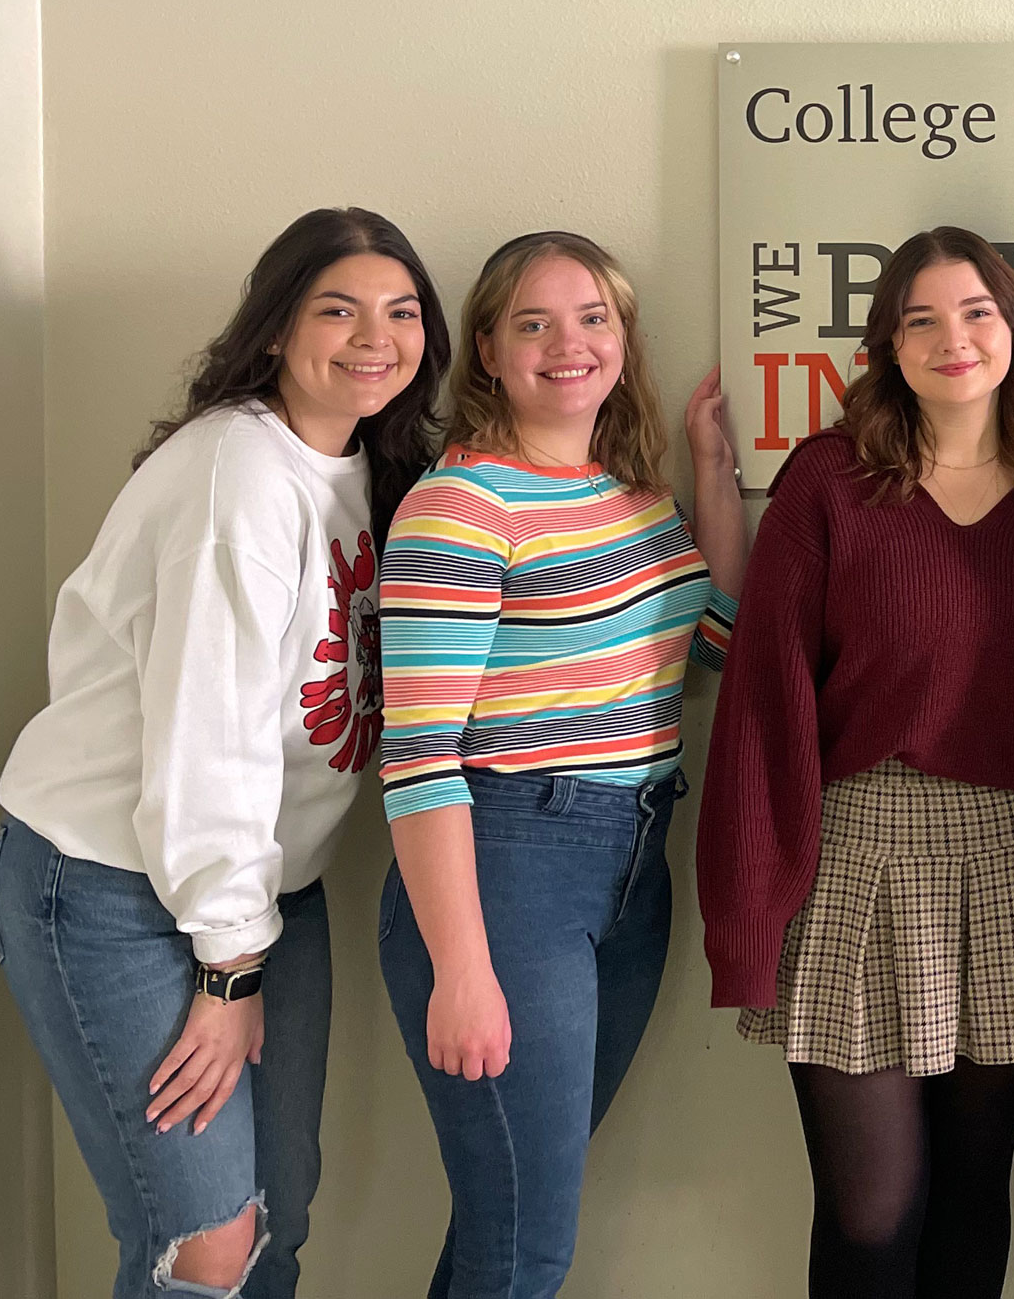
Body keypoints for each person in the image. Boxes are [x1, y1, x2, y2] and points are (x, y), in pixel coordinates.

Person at [0, 206, 446, 1299]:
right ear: (276, 328)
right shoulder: (235, 476)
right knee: (202, 1241)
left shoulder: (360, 468)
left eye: (402, 309)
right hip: (116, 881)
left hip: (253, 886)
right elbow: (209, 740)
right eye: (338, 308)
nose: (374, 334)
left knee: (274, 1218)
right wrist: (228, 966)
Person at [699, 227, 1014, 1299]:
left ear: (1013, 328)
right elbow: (761, 697)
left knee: (974, 1191)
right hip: (856, 863)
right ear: (886, 342)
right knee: (872, 1207)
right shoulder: (832, 480)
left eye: (974, 311)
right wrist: (744, 915)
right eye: (919, 318)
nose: (951, 338)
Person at [376, 230, 746, 1299]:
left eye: (592, 318)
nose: (566, 343)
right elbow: (419, 755)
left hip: (632, 867)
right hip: (506, 876)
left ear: (623, 341)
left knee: (511, 1226)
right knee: (527, 1248)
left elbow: (710, 646)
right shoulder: (463, 505)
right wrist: (462, 965)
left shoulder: (625, 492)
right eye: (532, 323)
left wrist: (713, 475)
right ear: (487, 347)